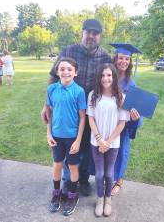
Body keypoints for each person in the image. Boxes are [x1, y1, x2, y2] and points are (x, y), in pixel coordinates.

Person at [41, 18, 111, 199]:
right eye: (88, 32)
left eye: (95, 33)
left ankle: (83, 180)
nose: (91, 36)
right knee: (67, 144)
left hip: (92, 110)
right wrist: (45, 106)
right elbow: (52, 77)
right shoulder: (69, 51)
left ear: (100, 36)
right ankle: (67, 180)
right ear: (82, 33)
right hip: (69, 110)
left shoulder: (105, 57)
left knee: (86, 146)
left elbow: (111, 81)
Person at [87, 63, 130, 217]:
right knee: (99, 174)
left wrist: (108, 141)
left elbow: (122, 123)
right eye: (103, 75)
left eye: (109, 75)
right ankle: (99, 199)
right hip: (96, 141)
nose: (106, 78)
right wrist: (99, 139)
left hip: (113, 143)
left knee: (109, 173)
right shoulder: (93, 95)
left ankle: (108, 199)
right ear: (99, 77)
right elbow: (91, 119)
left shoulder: (121, 97)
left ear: (114, 77)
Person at [46, 57, 86, 216]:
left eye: (69, 69)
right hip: (56, 136)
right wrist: (48, 132)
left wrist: (78, 140)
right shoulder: (51, 89)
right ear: (57, 72)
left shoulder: (79, 91)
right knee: (56, 165)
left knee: (73, 167)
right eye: (62, 69)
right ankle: (56, 194)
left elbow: (83, 117)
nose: (65, 72)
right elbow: (50, 113)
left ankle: (72, 196)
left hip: (72, 138)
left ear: (75, 72)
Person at [110, 43, 144, 196]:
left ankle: (118, 180)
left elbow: (137, 111)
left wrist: (136, 118)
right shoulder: (108, 75)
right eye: (121, 58)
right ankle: (105, 178)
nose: (124, 61)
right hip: (107, 122)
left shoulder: (131, 84)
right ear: (116, 58)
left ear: (130, 62)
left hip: (122, 126)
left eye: (127, 59)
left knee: (120, 151)